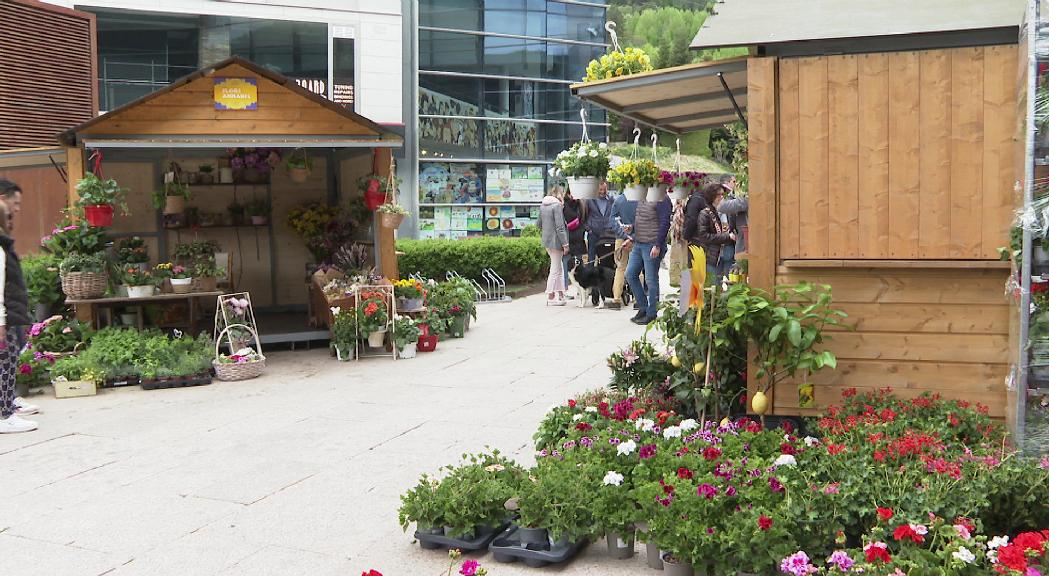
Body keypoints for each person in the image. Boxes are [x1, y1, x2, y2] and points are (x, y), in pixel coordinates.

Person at [0, 179, 36, 421]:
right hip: (5, 314)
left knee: (11, 356)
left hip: (10, 312)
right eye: (15, 204)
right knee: (6, 358)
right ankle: (4, 413)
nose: (17, 210)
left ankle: (8, 402)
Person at [625, 194, 672, 325]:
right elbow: (643, 220)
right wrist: (632, 230)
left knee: (651, 280)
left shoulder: (662, 198)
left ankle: (652, 313)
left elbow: (664, 223)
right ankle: (643, 307)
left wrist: (657, 245)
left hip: (651, 244)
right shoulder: (642, 195)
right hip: (639, 243)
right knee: (630, 274)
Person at [696, 182, 737, 279]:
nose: (722, 197)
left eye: (723, 194)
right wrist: (727, 236)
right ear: (712, 197)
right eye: (719, 195)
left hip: (729, 253)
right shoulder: (705, 214)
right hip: (713, 256)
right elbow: (704, 236)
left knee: (732, 283)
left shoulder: (729, 211)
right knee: (714, 285)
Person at [538, 185, 569, 306]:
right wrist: (565, 244)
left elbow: (539, 224)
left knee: (559, 268)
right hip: (557, 242)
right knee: (555, 270)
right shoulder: (557, 206)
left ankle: (561, 294)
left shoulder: (543, 205)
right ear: (559, 194)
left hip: (547, 241)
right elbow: (560, 227)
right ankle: (551, 296)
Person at [608, 189, 638, 311]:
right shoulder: (639, 199)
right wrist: (632, 236)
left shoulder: (619, 200)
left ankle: (616, 299)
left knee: (620, 268)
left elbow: (612, 221)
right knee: (638, 269)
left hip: (621, 239)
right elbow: (643, 220)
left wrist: (623, 235)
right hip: (636, 239)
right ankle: (637, 299)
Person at [716, 177, 748, 277]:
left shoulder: (744, 199)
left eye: (736, 182)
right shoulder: (742, 199)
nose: (735, 185)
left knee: (740, 272)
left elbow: (722, 207)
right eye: (734, 182)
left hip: (744, 243)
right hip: (741, 241)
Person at [562, 188, 587, 291]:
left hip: (578, 238)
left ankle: (581, 288)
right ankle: (564, 288)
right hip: (568, 238)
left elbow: (583, 220)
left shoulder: (581, 204)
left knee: (579, 263)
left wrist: (582, 230)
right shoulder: (564, 205)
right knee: (566, 263)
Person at [584, 181, 615, 264]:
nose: (603, 192)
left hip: (607, 234)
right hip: (593, 233)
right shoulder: (590, 200)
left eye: (604, 189)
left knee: (606, 258)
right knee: (591, 258)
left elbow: (615, 215)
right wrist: (588, 229)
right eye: (600, 190)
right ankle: (590, 276)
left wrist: (612, 227)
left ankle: (604, 275)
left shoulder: (611, 200)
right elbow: (584, 216)